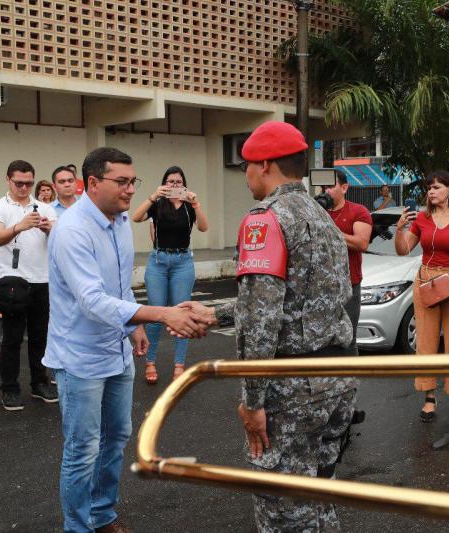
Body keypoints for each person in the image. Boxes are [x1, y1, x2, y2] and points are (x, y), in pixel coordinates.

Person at [43, 147, 213, 533]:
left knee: (116, 436)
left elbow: (117, 288)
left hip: (116, 350)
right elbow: (90, 300)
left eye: (132, 181)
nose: (130, 190)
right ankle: (78, 527)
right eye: (121, 182)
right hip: (80, 357)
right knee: (82, 449)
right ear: (92, 183)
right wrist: (159, 313)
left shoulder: (118, 221)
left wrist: (133, 325)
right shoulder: (71, 230)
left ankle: (102, 514)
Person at [211, 121, 356, 532]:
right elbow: (316, 297)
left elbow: (262, 318)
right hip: (336, 378)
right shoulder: (322, 216)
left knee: (284, 511)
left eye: (248, 166)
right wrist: (216, 313)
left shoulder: (265, 219)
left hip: (292, 388)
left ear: (267, 164)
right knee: (319, 496)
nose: (246, 175)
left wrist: (252, 399)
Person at [394, 170, 449, 426]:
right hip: (427, 281)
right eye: (429, 188)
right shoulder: (422, 218)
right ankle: (429, 397)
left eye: (436, 187)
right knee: (426, 341)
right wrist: (400, 230)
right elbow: (403, 250)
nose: (431, 192)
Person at [0, 160, 59, 411]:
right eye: (19, 183)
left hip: (42, 279)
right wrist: (20, 225)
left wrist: (51, 229)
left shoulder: (46, 208)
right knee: (12, 338)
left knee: (40, 337)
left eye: (29, 183)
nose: (24, 187)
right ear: (8, 180)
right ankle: (10, 388)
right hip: (13, 281)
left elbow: (62, 240)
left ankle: (39, 382)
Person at [130, 166, 209, 383]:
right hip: (158, 261)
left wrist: (196, 204)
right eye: (170, 182)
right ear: (164, 183)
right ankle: (150, 362)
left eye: (178, 182)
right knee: (155, 314)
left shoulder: (188, 206)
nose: (174, 186)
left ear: (184, 184)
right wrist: (153, 196)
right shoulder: (158, 204)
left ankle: (179, 365)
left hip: (183, 262)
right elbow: (136, 217)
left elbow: (203, 227)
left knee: (182, 313)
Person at [324, 170, 372, 352]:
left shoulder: (358, 211)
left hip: (348, 285)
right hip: (320, 287)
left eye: (330, 186)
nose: (325, 191)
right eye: (322, 187)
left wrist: (331, 231)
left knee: (347, 338)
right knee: (321, 341)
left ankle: (350, 380)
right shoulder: (316, 210)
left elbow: (362, 242)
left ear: (344, 188)